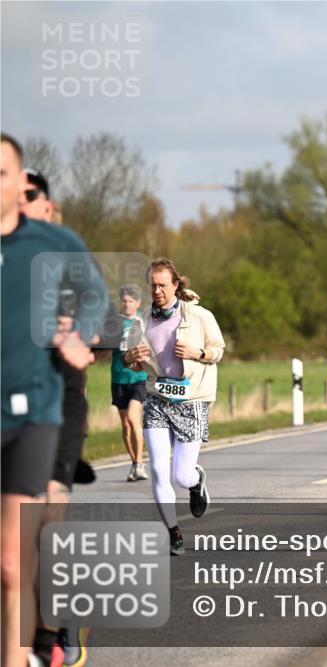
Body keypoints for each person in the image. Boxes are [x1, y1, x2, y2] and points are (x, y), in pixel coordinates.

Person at [2, 133, 107, 667]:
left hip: (58, 405)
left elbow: (109, 319)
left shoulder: (62, 254)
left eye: (28, 196)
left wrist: (80, 337)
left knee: (47, 521)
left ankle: (50, 636)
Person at [122, 258, 224, 556]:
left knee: (181, 475)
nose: (157, 291)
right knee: (156, 468)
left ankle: (196, 481)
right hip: (156, 398)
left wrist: (197, 352)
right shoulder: (141, 321)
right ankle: (172, 531)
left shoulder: (199, 315)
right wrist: (131, 357)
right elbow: (129, 360)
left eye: (163, 285)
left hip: (191, 400)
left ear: (176, 285)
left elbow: (218, 350)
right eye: (152, 285)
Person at [112, 284, 150, 481]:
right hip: (118, 378)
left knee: (134, 418)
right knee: (125, 425)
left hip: (138, 377)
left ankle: (140, 465)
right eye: (124, 300)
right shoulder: (113, 323)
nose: (127, 304)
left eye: (131, 301)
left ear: (138, 303)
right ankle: (134, 462)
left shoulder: (142, 322)